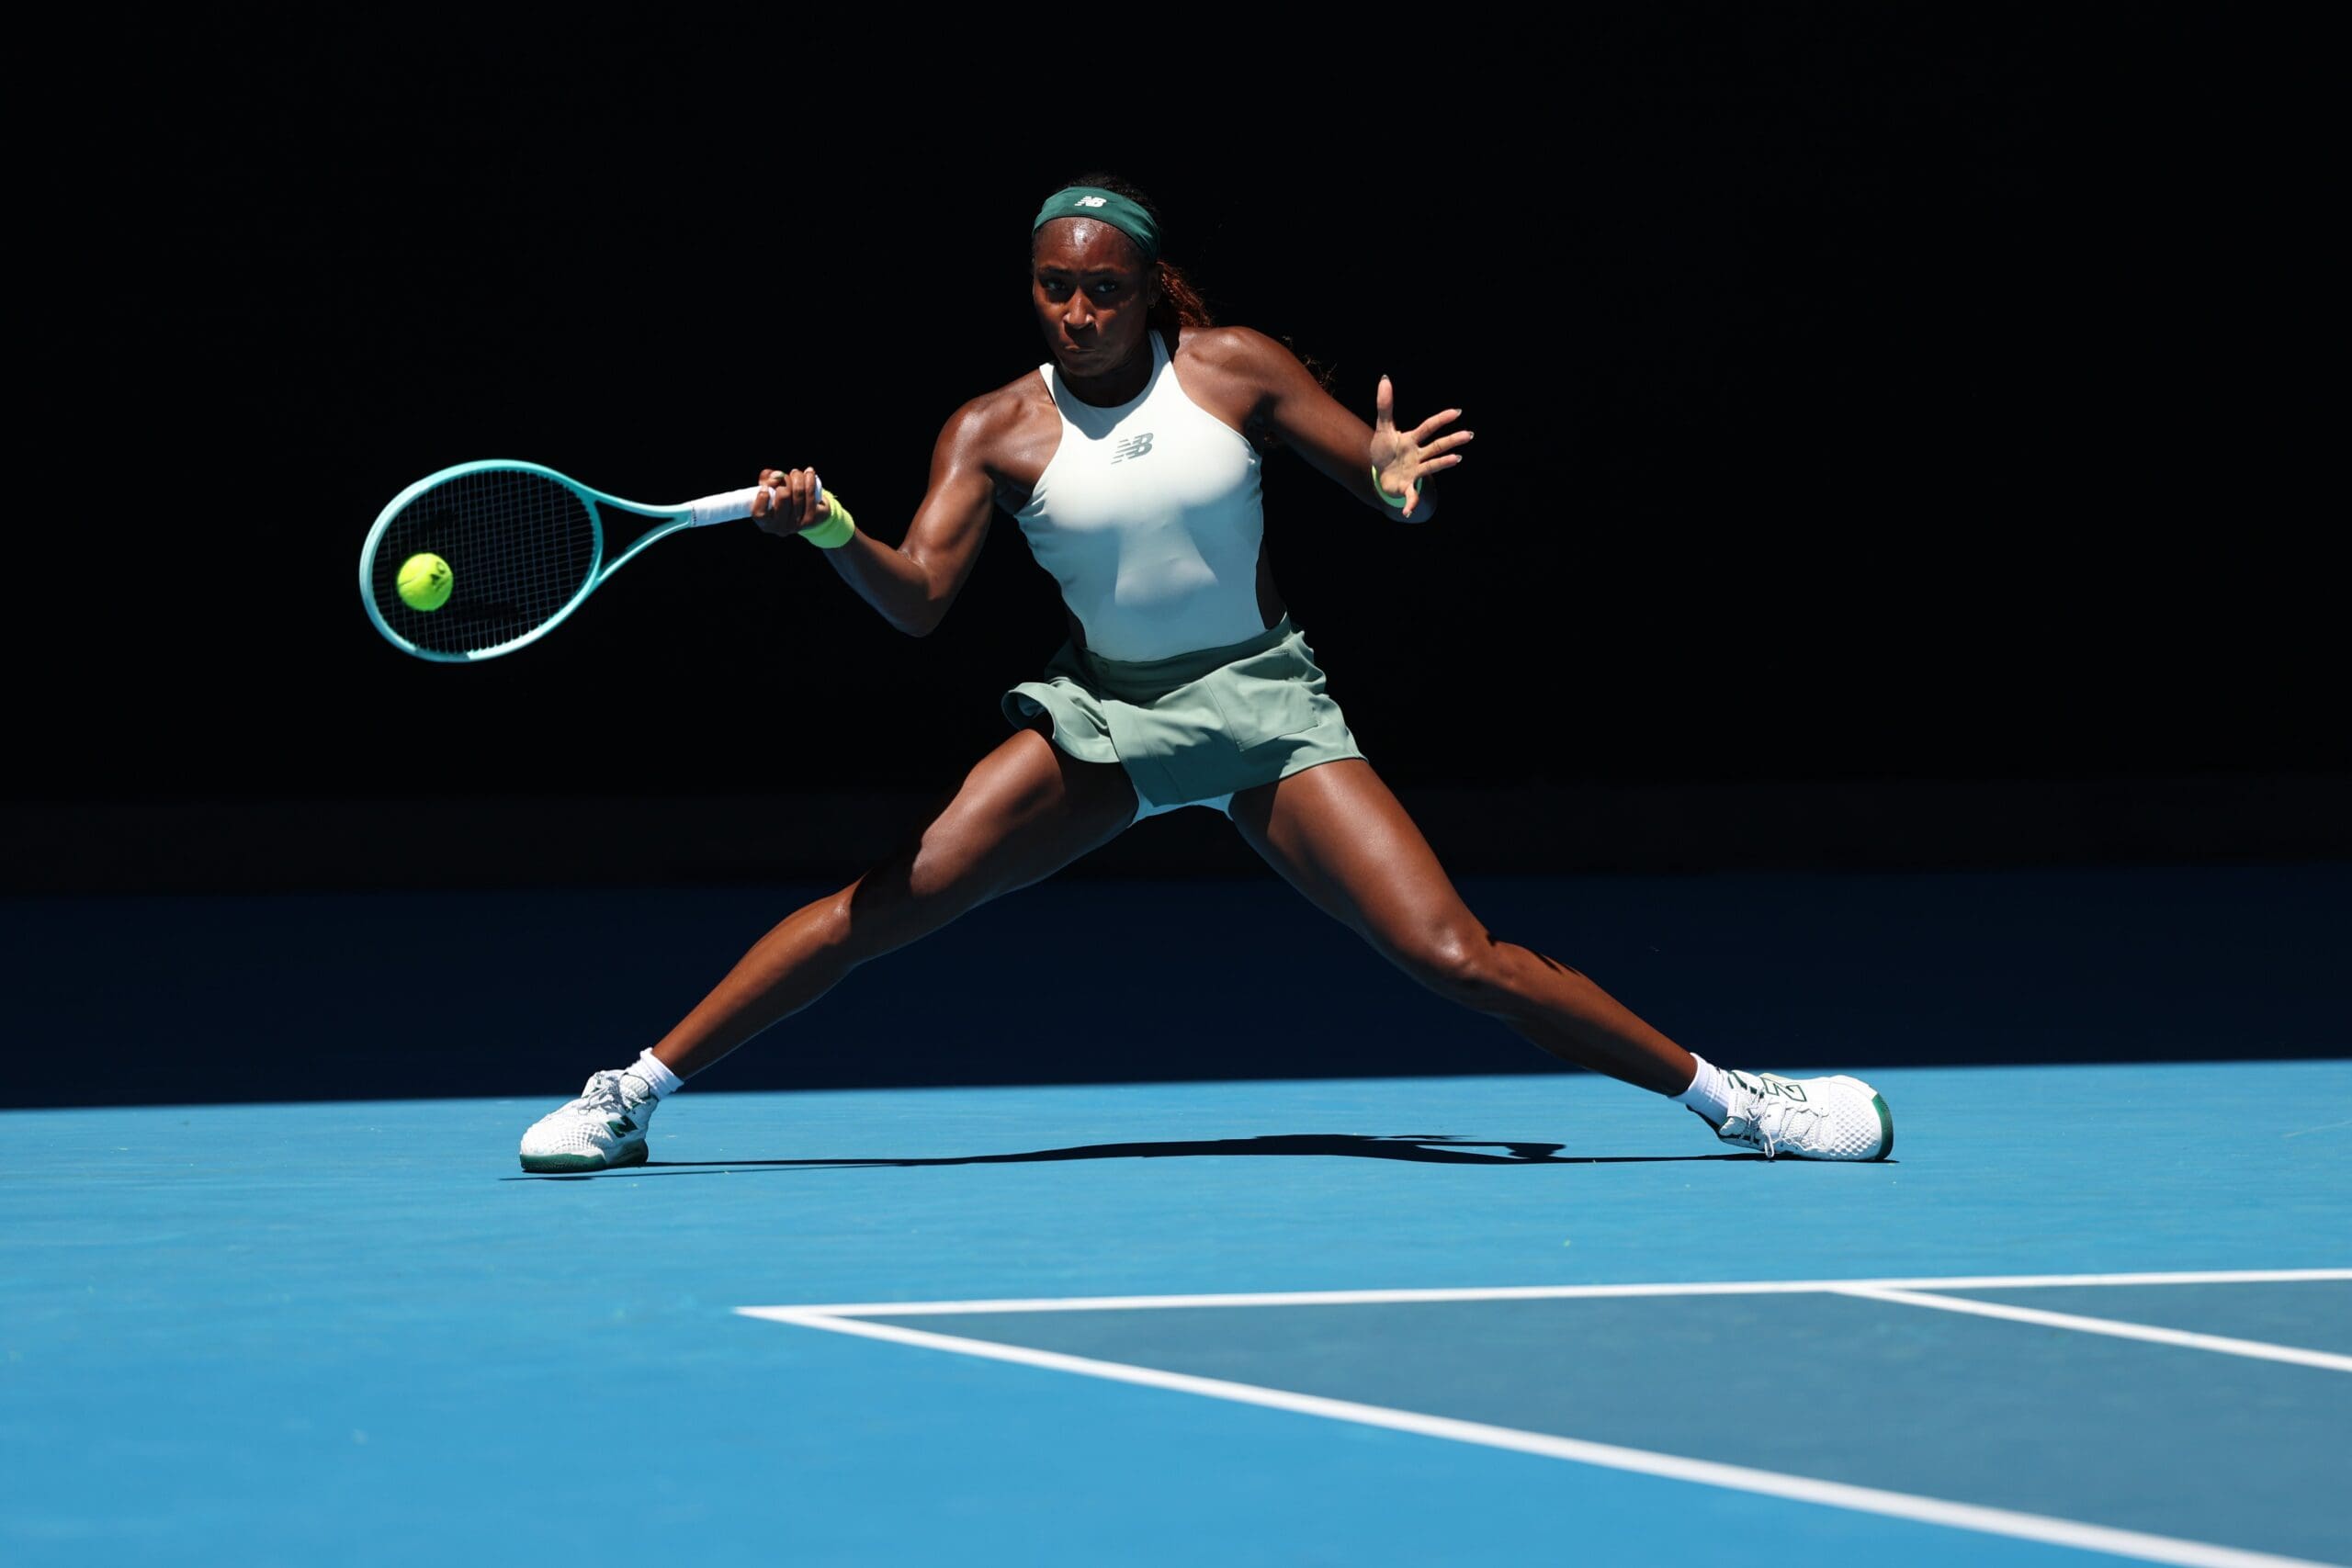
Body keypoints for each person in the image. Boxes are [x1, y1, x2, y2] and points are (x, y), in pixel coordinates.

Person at [518, 173, 1894, 1173]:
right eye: (1053, 287)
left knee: (1453, 954)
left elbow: (1382, 479)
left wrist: (1401, 489)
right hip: (1100, 714)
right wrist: (828, 533)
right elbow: (921, 601)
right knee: (886, 904)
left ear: (1147, 290)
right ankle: (629, 1093)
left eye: (1101, 289)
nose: (1074, 311)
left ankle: (1740, 1102)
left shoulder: (1232, 371)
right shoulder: (991, 429)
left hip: (1261, 704)